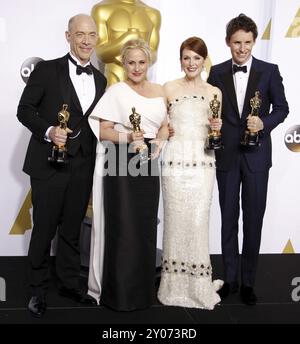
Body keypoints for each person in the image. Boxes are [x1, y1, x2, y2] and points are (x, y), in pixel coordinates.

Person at [17, 14, 107, 318]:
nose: (86, 40)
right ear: (68, 36)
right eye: (80, 34)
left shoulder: (100, 78)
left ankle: (69, 283)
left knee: (71, 229)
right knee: (43, 228)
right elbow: (24, 110)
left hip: (82, 164)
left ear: (97, 39)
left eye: (91, 35)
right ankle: (37, 290)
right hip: (48, 164)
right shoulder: (46, 69)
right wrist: (48, 131)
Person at [207, 14, 289, 305]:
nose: (242, 48)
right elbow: (210, 110)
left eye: (247, 43)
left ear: (254, 42)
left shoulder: (269, 71)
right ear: (228, 42)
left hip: (256, 158)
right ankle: (229, 278)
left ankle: (249, 282)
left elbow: (282, 108)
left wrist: (263, 123)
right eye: (237, 42)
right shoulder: (215, 72)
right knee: (228, 219)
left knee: (253, 220)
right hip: (226, 156)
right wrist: (211, 124)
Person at [88, 38, 168, 311]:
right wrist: (127, 137)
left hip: (148, 162)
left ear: (149, 63)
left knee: (145, 227)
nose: (136, 67)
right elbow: (103, 130)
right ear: (123, 63)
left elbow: (165, 127)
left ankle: (142, 293)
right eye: (131, 62)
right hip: (120, 159)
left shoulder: (159, 90)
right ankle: (120, 295)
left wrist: (159, 141)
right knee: (123, 226)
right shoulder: (116, 91)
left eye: (141, 62)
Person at [157, 37, 223, 310]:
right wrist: (165, 130)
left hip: (203, 164)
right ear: (180, 60)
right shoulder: (168, 88)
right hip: (174, 165)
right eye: (186, 57)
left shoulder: (215, 92)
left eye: (197, 58)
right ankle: (171, 287)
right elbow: (161, 125)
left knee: (197, 223)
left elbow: (217, 133)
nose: (191, 63)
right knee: (175, 223)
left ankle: (198, 287)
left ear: (204, 61)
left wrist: (217, 126)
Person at [91, 0, 161, 85]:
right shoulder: (101, 9)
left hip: (142, 83)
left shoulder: (152, 14)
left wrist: (137, 61)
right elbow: (101, 54)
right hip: (115, 78)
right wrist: (127, 38)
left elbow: (153, 54)